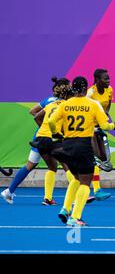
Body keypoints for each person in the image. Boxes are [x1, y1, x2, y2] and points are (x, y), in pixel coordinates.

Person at [50, 76, 115, 227]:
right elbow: (104, 126)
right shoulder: (93, 104)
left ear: (73, 88)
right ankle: (75, 217)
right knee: (85, 182)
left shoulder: (65, 104)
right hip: (83, 145)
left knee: (76, 179)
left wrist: (56, 133)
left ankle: (65, 209)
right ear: (85, 88)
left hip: (67, 144)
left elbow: (51, 121)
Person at [1, 77, 76, 205]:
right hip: (50, 137)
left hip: (40, 136)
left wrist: (44, 125)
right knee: (64, 164)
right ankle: (77, 194)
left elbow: (33, 112)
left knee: (38, 165)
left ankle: (10, 191)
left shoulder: (49, 101)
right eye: (68, 86)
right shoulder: (65, 104)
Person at [86, 68, 114, 201]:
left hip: (101, 126)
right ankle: (96, 189)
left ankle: (93, 188)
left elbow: (108, 106)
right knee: (96, 158)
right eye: (105, 78)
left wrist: (104, 119)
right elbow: (85, 109)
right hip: (90, 127)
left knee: (103, 158)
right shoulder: (90, 93)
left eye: (108, 78)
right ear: (97, 80)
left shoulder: (110, 90)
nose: (108, 81)